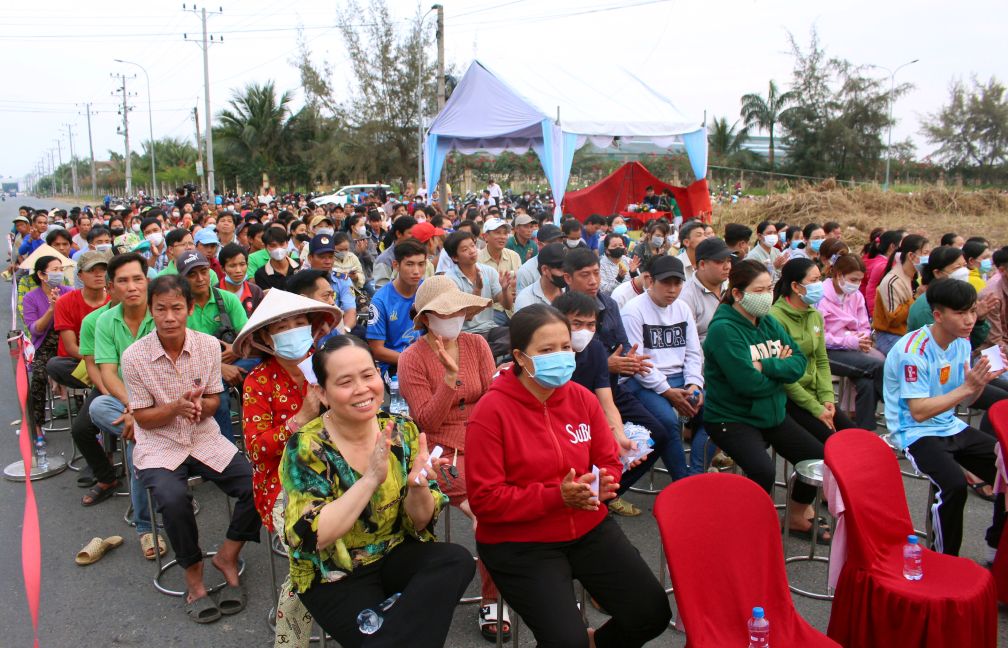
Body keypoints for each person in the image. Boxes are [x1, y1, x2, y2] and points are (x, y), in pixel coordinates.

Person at [465, 304, 672, 647]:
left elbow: (608, 460)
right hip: (521, 544)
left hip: (587, 526)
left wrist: (605, 480)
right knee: (565, 641)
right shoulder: (491, 411)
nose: (560, 356)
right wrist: (555, 496)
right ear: (520, 356)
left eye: (564, 347)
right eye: (546, 350)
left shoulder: (581, 399)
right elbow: (485, 501)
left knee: (651, 613)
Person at [280, 335, 474, 646]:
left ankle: (388, 632)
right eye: (345, 381)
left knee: (456, 560)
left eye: (368, 375)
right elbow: (312, 536)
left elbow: (421, 522)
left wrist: (417, 488)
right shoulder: (307, 446)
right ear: (322, 392)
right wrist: (370, 478)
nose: (362, 389)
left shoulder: (402, 429)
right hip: (335, 573)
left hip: (394, 553)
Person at [125, 275, 259, 623]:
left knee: (257, 486)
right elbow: (141, 417)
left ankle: (227, 555)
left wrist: (203, 408)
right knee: (172, 499)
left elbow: (215, 398)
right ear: (150, 310)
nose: (169, 317)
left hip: (204, 439)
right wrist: (175, 407)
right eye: (161, 309)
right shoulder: (134, 356)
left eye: (177, 308)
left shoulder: (208, 346)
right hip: (159, 445)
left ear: (188, 309)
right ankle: (193, 574)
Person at [396, 277, 510, 639]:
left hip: (486, 440)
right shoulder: (412, 358)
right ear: (427, 317)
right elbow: (425, 420)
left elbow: (492, 398)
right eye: (446, 310)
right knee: (489, 511)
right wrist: (449, 379)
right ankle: (493, 597)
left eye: (460, 309)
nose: (455, 316)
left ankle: (519, 578)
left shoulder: (476, 343)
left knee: (522, 493)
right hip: (441, 451)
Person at [232, 288, 341, 645]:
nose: (293, 331)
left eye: (299, 323)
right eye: (282, 327)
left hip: (339, 470)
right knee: (311, 552)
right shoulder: (258, 382)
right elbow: (257, 449)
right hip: (283, 483)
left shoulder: (330, 367)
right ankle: (291, 639)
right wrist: (302, 418)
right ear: (265, 337)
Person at [703, 259, 831, 542]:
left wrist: (767, 366)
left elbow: (797, 362)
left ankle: (797, 514)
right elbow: (746, 383)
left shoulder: (768, 321)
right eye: (759, 290)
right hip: (732, 416)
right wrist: (776, 369)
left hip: (771, 412)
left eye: (769, 288)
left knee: (816, 457)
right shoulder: (724, 329)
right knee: (763, 470)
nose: (767, 295)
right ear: (738, 293)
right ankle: (750, 529)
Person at [884, 278, 1006, 558]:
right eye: (961, 313)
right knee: (953, 485)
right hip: (915, 431)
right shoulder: (913, 352)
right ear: (938, 315)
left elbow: (965, 399)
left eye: (973, 311)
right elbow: (919, 411)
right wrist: (968, 386)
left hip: (949, 424)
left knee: (1004, 467)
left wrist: (981, 382)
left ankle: (996, 547)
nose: (970, 320)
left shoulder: (961, 343)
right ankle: (944, 558)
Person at [89, 253, 162, 558]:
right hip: (126, 404)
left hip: (164, 399)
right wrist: (134, 409)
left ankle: (146, 526)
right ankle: (147, 527)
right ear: (112, 287)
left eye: (137, 279)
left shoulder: (162, 312)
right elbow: (107, 372)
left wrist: (143, 411)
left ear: (147, 281)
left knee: (137, 448)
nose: (131, 287)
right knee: (97, 407)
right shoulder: (106, 320)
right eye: (123, 281)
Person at [621, 255, 711, 476]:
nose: (672, 289)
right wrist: (668, 391)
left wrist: (694, 384)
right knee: (668, 421)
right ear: (650, 281)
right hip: (643, 382)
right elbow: (638, 364)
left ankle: (696, 472)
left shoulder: (682, 309)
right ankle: (683, 481)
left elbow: (693, 352)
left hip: (679, 376)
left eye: (677, 283)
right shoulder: (633, 310)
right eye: (666, 283)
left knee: (718, 412)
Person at [769, 258, 855, 443]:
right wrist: (815, 408)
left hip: (816, 394)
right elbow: (782, 375)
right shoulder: (775, 319)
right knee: (833, 443)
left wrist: (827, 397)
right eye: (814, 280)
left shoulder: (814, 315)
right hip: (791, 398)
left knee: (854, 437)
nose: (819, 285)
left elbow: (821, 360)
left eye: (819, 279)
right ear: (796, 286)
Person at [175, 251, 250, 442]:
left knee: (265, 368)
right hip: (193, 368)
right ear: (181, 279)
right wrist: (218, 366)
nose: (200, 279)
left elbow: (248, 337)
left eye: (204, 271)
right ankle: (227, 452)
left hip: (233, 358)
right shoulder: (177, 307)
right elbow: (179, 353)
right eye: (192, 274)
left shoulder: (227, 299)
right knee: (220, 399)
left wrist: (236, 349)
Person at [816, 253, 885, 431]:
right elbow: (820, 336)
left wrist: (863, 337)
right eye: (853, 279)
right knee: (878, 366)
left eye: (860, 280)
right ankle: (898, 408)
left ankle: (864, 431)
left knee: (867, 383)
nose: (856, 284)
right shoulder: (821, 297)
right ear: (838, 275)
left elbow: (863, 324)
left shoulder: (856, 296)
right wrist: (850, 341)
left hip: (855, 349)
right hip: (828, 351)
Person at [22, 255, 73, 437]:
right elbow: (35, 329)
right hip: (45, 345)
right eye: (55, 270)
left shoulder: (69, 292)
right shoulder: (31, 298)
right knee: (38, 377)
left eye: (61, 269)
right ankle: (37, 426)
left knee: (85, 371)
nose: (59, 273)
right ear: (42, 275)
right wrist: (52, 308)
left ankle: (90, 425)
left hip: (68, 341)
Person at [47, 251, 111, 391]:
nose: (98, 274)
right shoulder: (64, 302)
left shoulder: (115, 301)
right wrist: (100, 362)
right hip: (81, 360)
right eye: (91, 270)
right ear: (80, 275)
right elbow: (71, 347)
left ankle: (104, 384)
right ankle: (105, 383)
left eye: (103, 270)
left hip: (113, 360)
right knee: (55, 365)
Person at [365, 239, 426, 378]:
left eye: (421, 264)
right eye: (409, 264)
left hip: (427, 357)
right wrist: (412, 361)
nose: (416, 271)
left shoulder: (428, 290)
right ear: (396, 265)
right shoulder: (380, 300)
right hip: (395, 364)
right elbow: (376, 349)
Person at [444, 231, 513, 336]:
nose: (472, 251)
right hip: (464, 332)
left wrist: (505, 290)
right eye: (465, 249)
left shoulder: (489, 271)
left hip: (489, 328)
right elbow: (468, 317)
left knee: (514, 336)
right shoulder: (449, 280)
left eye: (473, 246)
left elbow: (507, 306)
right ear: (455, 257)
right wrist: (477, 290)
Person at [874, 234, 930, 356]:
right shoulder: (892, 281)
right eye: (925, 253)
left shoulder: (914, 278)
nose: (927, 257)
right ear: (911, 255)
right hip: (891, 336)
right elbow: (894, 319)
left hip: (908, 334)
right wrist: (916, 298)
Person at [678, 237, 733, 344]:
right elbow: (689, 344)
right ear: (702, 264)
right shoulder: (686, 297)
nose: (727, 267)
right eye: (720, 262)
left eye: (729, 261)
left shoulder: (732, 287)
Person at [303, 234, 357, 333]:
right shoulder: (302, 281)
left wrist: (344, 331)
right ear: (310, 258)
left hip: (338, 327)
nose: (328, 261)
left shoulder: (343, 279)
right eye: (322, 257)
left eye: (331, 257)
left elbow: (350, 311)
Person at [479, 218, 522, 325]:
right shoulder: (477, 260)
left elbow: (519, 285)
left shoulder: (514, 256)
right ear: (485, 236)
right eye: (497, 233)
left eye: (505, 233)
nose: (503, 237)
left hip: (513, 310)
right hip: (489, 311)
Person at [862, 229, 904, 316]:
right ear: (892, 246)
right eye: (901, 245)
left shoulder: (876, 260)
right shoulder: (882, 266)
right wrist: (874, 314)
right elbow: (872, 291)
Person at [514, 243, 566, 310]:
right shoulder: (526, 300)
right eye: (561, 269)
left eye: (568, 269)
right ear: (544, 269)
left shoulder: (572, 291)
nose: (566, 274)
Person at [218, 243, 264, 317]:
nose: (238, 270)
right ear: (223, 269)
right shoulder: (215, 293)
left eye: (242, 264)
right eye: (232, 266)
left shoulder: (256, 292)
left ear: (247, 265)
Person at [515, 223, 563, 293]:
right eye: (553, 242)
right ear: (540, 245)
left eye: (560, 241)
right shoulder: (525, 271)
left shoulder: (568, 266)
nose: (558, 246)